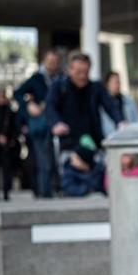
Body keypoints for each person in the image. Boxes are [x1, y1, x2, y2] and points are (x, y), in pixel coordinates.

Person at [45, 51, 122, 197]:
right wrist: (56, 123)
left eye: (86, 72)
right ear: (70, 70)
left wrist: (120, 122)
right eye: (78, 72)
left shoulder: (96, 88)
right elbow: (50, 107)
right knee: (72, 184)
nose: (82, 76)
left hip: (93, 143)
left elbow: (110, 106)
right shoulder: (59, 87)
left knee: (97, 183)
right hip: (69, 144)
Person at [14, 49, 62, 198]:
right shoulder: (36, 79)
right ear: (44, 62)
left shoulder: (60, 78)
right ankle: (45, 192)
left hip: (58, 124)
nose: (52, 65)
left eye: (55, 62)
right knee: (44, 161)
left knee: (57, 160)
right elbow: (18, 94)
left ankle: (58, 189)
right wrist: (29, 104)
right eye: (50, 62)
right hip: (41, 126)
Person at [100, 71, 138, 137]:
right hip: (109, 139)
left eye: (118, 82)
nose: (117, 85)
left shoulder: (129, 101)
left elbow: (137, 121)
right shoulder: (101, 103)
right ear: (107, 84)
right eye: (114, 82)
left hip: (129, 137)